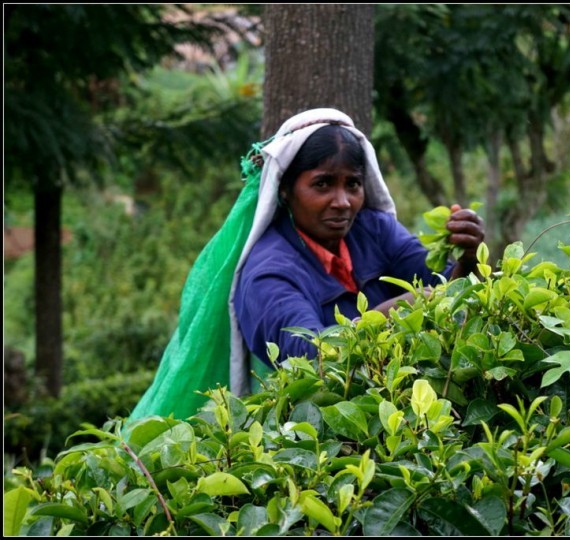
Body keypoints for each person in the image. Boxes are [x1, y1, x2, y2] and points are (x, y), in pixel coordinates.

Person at [127, 108, 484, 422]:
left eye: (353, 184)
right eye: (323, 184)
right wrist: (387, 316)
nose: (342, 202)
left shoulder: (373, 230)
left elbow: (446, 294)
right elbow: (310, 364)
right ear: (286, 190)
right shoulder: (268, 274)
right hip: (306, 436)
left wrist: (468, 259)